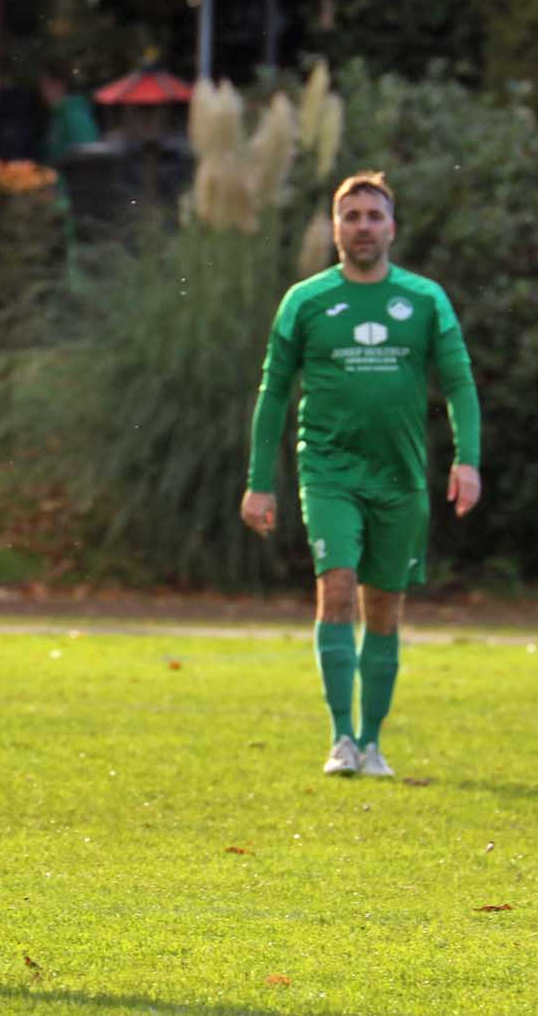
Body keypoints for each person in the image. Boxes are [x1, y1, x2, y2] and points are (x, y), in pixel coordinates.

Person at [242, 172, 481, 779]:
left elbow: (458, 383)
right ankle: (340, 739)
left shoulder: (424, 300)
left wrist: (467, 459)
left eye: (373, 216)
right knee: (338, 586)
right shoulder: (306, 300)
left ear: (392, 227)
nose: (363, 227)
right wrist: (258, 480)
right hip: (327, 469)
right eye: (351, 216)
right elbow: (273, 393)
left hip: (399, 476)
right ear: (335, 227)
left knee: (384, 606)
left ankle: (372, 743)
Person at [37, 63, 99, 164]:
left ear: (59, 84)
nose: (41, 91)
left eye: (44, 84)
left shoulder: (75, 117)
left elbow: (87, 161)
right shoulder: (59, 116)